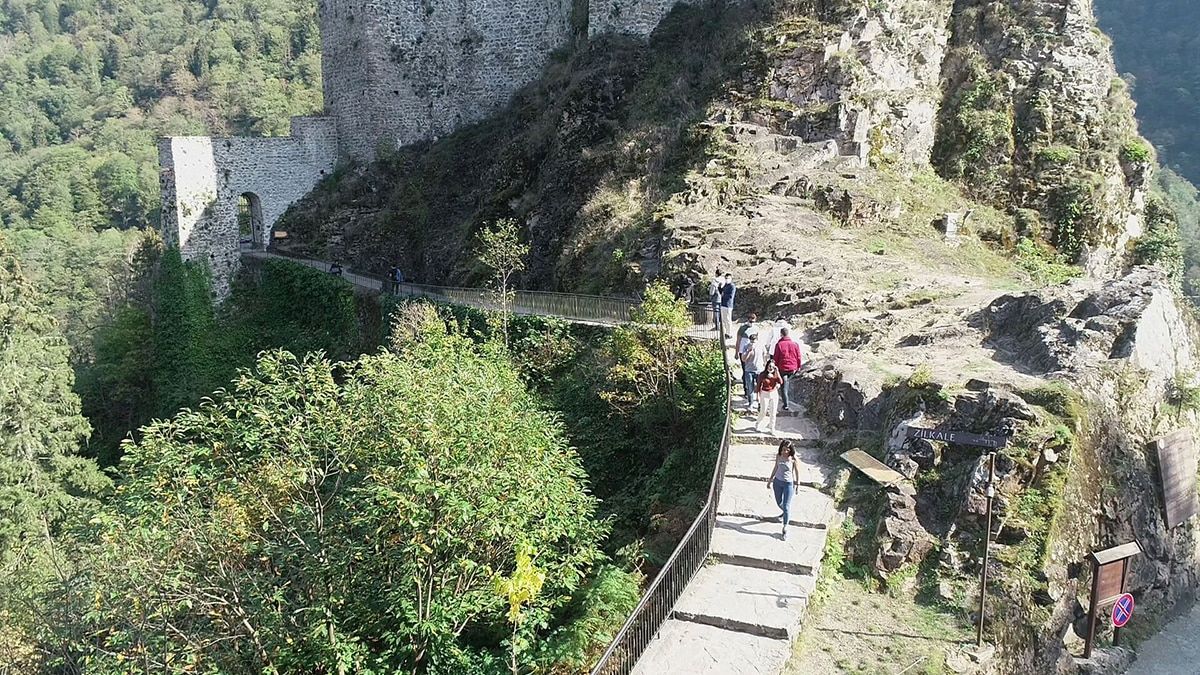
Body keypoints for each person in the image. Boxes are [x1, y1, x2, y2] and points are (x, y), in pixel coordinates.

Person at [767, 440, 800, 540]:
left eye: (787, 450)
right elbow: (775, 467)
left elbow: (797, 472)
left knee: (786, 506)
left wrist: (797, 484)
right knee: (779, 502)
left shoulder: (793, 459)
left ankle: (785, 527)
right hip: (777, 482)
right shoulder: (778, 456)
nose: (785, 452)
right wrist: (770, 480)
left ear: (790, 451)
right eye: (783, 449)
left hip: (788, 484)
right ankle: (786, 513)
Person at [773, 326, 803, 412]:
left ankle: (786, 404)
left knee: (784, 387)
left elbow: (776, 358)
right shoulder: (795, 344)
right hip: (793, 367)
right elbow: (798, 356)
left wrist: (775, 368)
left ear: (781, 334)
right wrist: (799, 366)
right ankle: (788, 401)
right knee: (787, 384)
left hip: (783, 368)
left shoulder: (779, 345)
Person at [739, 330, 767, 410]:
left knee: (760, 388)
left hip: (759, 370)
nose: (753, 343)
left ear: (757, 340)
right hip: (749, 370)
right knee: (750, 388)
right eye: (752, 341)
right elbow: (743, 359)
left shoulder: (761, 346)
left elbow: (765, 355)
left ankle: (760, 403)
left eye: (754, 341)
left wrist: (765, 364)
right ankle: (751, 404)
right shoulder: (746, 346)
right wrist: (748, 351)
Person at [756, 360, 782, 434]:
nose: (771, 368)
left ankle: (772, 428)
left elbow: (780, 381)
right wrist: (757, 396)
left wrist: (777, 372)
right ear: (767, 366)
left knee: (773, 412)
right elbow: (758, 386)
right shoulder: (762, 374)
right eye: (769, 366)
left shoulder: (775, 373)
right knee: (763, 411)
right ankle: (758, 423)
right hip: (765, 394)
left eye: (772, 366)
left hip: (774, 394)